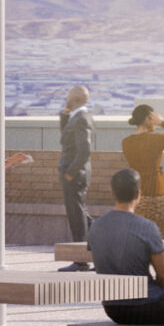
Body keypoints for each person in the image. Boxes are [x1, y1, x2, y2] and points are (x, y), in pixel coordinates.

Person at [88, 168, 164, 326]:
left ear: (112, 192)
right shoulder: (147, 227)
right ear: (139, 194)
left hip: (112, 307)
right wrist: (158, 291)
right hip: (146, 304)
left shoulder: (96, 226)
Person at [119, 104, 164, 245]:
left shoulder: (126, 142)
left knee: (138, 240)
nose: (156, 123)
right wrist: (163, 123)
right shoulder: (156, 139)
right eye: (154, 118)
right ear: (148, 119)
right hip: (156, 196)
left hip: (137, 198)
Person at [57, 85, 96, 264]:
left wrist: (71, 172)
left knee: (77, 216)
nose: (66, 98)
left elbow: (85, 150)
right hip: (73, 173)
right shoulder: (76, 117)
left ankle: (81, 261)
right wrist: (64, 115)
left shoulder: (82, 119)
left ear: (74, 99)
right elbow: (65, 138)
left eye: (68, 96)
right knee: (80, 213)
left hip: (75, 174)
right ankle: (101, 241)